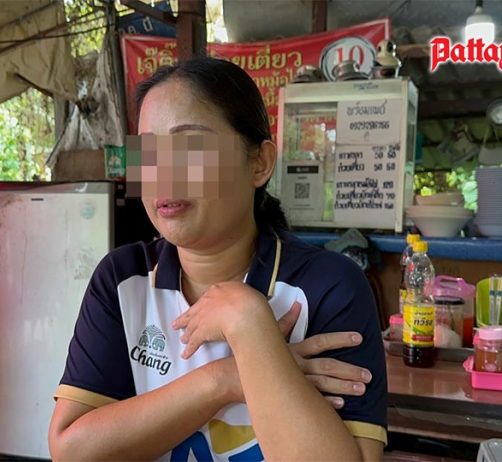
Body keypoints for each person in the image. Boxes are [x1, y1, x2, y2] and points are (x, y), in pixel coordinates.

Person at [49, 56, 387, 461]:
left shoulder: (329, 287)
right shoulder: (123, 279)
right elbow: (72, 450)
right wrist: (224, 380)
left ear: (259, 163)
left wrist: (248, 320)